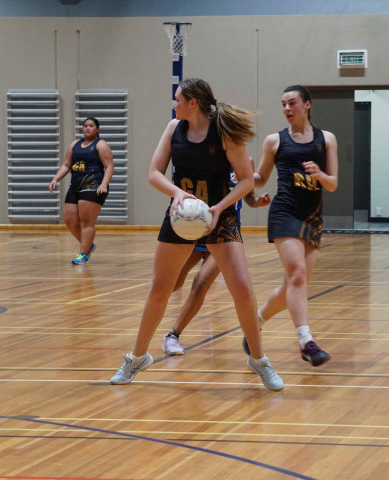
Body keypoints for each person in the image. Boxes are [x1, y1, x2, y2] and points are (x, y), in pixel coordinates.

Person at [110, 77, 283, 391]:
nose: (173, 103)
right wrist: (177, 194)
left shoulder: (225, 132)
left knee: (242, 289)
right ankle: (136, 358)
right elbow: (153, 174)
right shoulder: (173, 128)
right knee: (161, 288)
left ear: (194, 103)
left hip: (220, 214)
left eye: (178, 98)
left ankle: (259, 360)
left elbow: (247, 181)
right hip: (181, 216)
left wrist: (218, 207)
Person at [242, 85, 338, 367]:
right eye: (283, 104)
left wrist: (320, 174)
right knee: (296, 275)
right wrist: (244, 174)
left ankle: (255, 323)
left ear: (307, 105)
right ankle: (306, 342)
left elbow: (333, 184)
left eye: (292, 103)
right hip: (284, 213)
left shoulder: (326, 139)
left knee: (293, 286)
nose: (287, 109)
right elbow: (259, 178)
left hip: (313, 217)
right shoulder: (274, 141)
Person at [163, 167, 271, 355]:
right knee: (173, 284)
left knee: (200, 284)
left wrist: (257, 202)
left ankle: (172, 335)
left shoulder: (245, 161)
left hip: (223, 233)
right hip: (195, 230)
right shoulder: (206, 155)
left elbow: (248, 196)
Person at [49, 117, 114, 264]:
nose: (88, 128)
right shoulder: (74, 144)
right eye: (85, 126)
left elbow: (109, 166)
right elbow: (67, 165)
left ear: (97, 129)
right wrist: (55, 179)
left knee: (86, 221)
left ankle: (83, 254)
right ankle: (89, 245)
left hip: (93, 185)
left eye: (91, 126)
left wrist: (104, 184)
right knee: (69, 219)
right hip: (76, 186)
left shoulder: (101, 145)